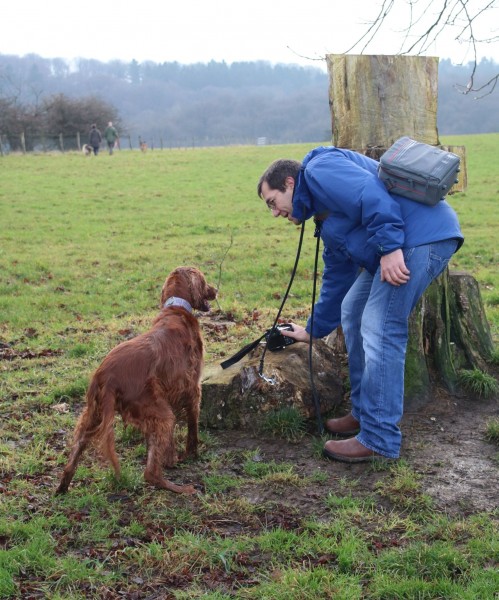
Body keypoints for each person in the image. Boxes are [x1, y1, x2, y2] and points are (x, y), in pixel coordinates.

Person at [257, 145, 463, 463]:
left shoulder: (319, 170)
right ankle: (365, 412)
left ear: (289, 183)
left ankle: (379, 438)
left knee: (380, 327)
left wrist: (390, 248)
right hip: (400, 241)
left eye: (273, 202)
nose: (274, 213)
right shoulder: (324, 214)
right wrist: (312, 330)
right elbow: (337, 278)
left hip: (419, 237)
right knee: (352, 310)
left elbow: (371, 194)